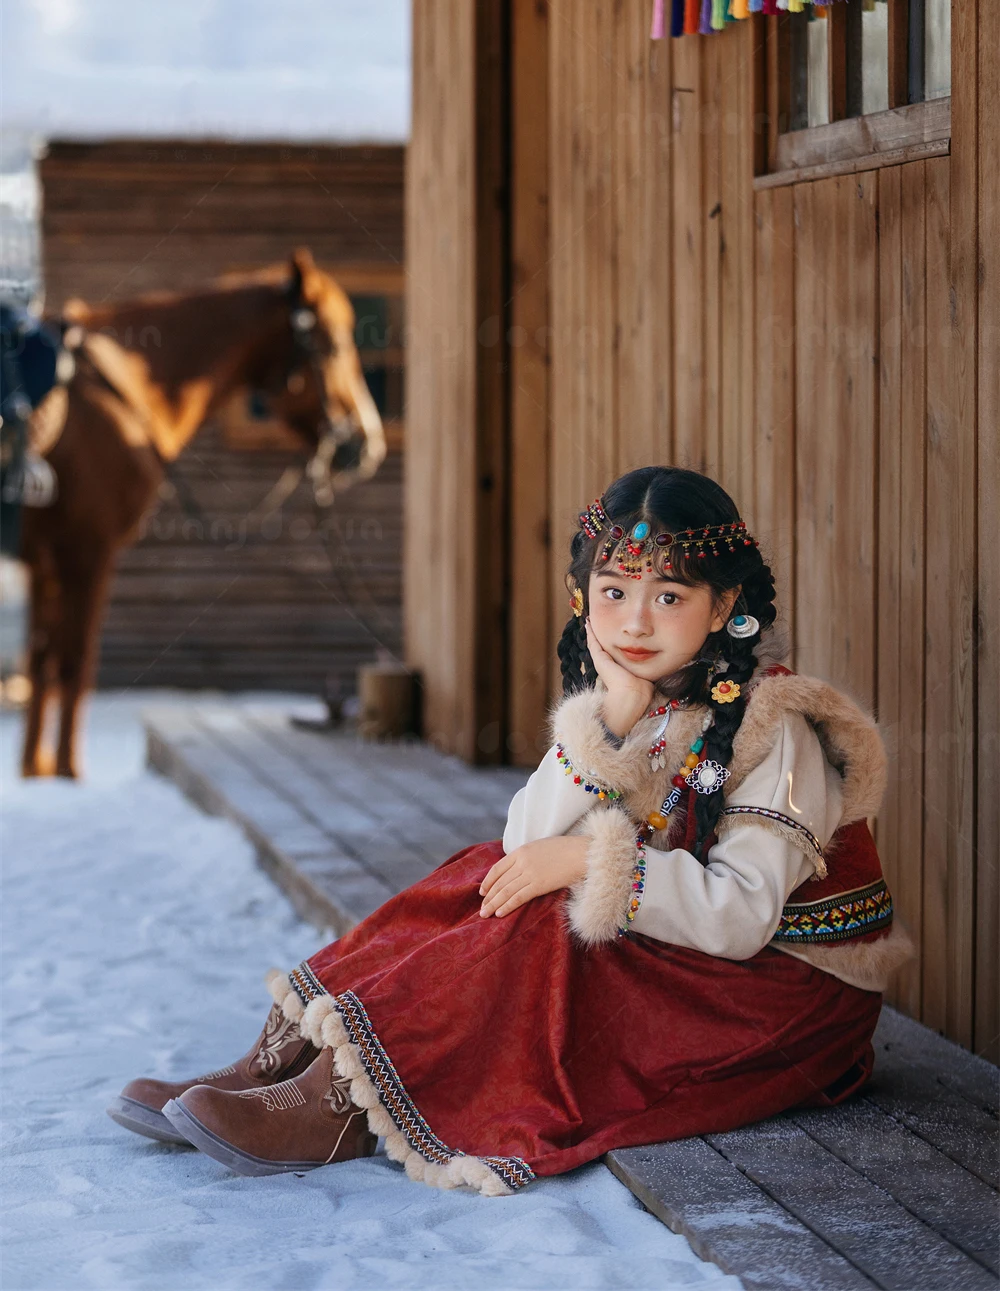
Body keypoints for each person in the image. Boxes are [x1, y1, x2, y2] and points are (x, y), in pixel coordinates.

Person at [109, 466, 913, 1193]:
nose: (636, 621)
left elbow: (740, 919)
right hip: (700, 958)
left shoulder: (771, 727)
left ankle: (345, 1100)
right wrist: (605, 725)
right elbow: (519, 839)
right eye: (614, 592)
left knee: (544, 921)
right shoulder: (645, 701)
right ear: (582, 599)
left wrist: (586, 860)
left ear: (724, 605)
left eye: (669, 596)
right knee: (486, 871)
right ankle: (283, 1057)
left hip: (787, 998)